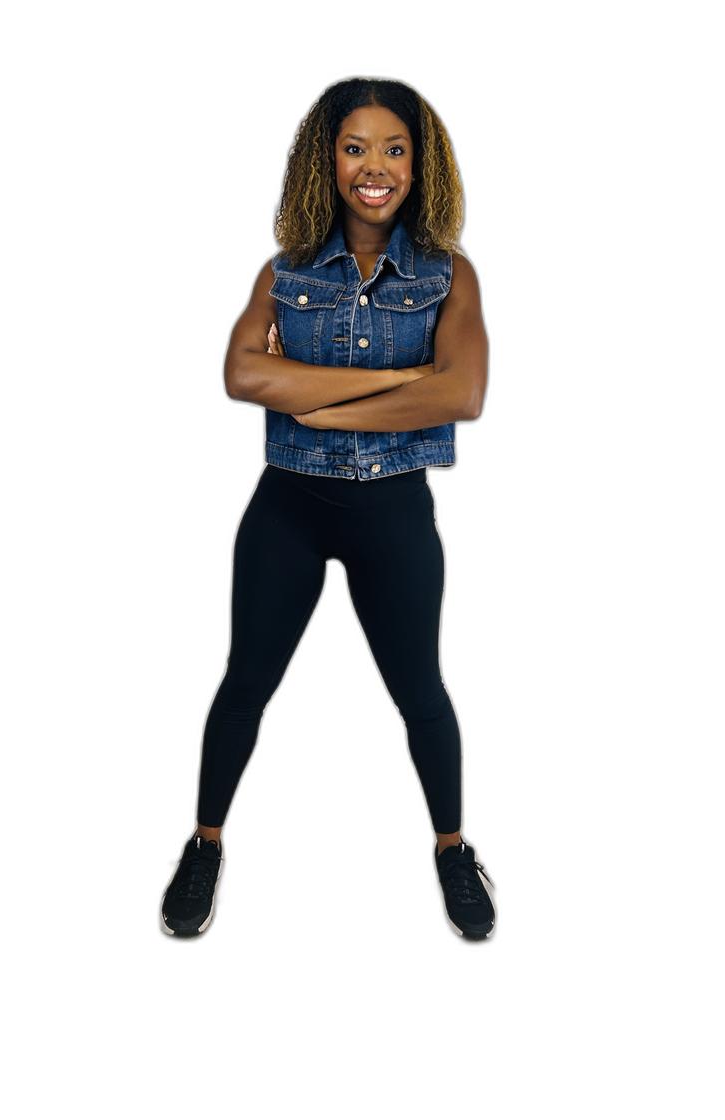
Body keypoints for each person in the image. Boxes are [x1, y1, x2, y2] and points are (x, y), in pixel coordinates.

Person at [160, 77, 496, 940]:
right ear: (327, 161)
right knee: (245, 683)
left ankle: (453, 849)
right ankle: (204, 844)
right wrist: (403, 378)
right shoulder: (285, 273)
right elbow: (243, 375)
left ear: (421, 165)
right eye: (354, 148)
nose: (374, 167)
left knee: (421, 692)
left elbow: (462, 394)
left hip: (395, 516)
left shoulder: (448, 276)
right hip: (289, 510)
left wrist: (313, 400)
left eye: (394, 149)